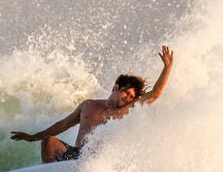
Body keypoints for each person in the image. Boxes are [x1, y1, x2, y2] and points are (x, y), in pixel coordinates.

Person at [10, 46, 174, 163]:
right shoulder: (88, 106)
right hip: (76, 157)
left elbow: (154, 94)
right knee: (49, 142)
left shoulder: (126, 110)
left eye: (132, 98)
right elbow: (64, 124)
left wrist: (167, 68)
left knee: (93, 153)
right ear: (116, 87)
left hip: (97, 163)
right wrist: (33, 137)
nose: (129, 99)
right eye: (127, 94)